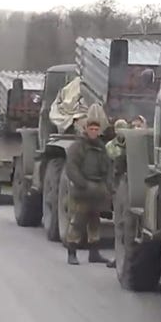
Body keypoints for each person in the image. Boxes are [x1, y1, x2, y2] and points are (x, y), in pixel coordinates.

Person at [64, 113, 112, 266]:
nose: (93, 131)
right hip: (82, 190)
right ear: (86, 129)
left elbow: (107, 168)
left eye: (96, 129)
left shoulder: (101, 147)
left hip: (97, 190)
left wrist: (107, 186)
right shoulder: (78, 147)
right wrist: (83, 184)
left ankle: (94, 253)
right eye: (91, 128)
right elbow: (71, 168)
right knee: (77, 222)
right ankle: (72, 253)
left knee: (94, 222)